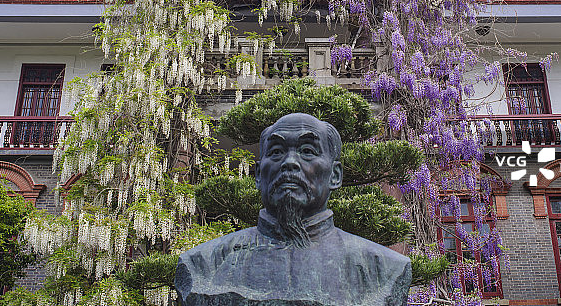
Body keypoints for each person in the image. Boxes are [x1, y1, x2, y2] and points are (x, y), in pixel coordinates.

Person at [175, 113, 411, 306]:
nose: (289, 162)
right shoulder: (204, 265)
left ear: (335, 175)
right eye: (276, 152)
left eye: (308, 151)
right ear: (258, 175)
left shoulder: (383, 269)